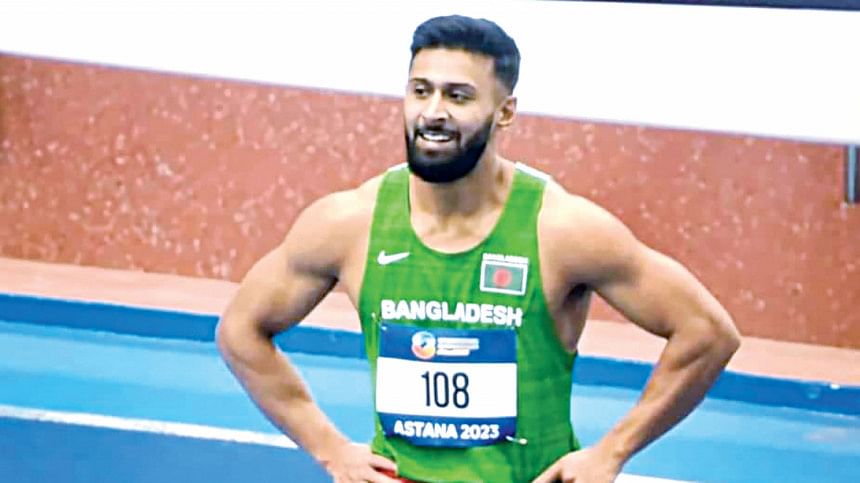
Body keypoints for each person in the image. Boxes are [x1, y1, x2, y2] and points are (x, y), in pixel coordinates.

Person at [215, 14, 741, 483]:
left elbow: (707, 334)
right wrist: (329, 449)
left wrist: (611, 452)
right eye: (420, 91)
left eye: (458, 96)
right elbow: (240, 331)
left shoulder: (563, 230)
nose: (433, 112)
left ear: (504, 111)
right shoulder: (349, 223)